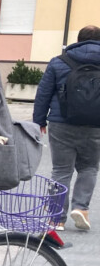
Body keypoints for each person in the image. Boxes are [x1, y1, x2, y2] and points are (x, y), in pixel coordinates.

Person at [33, 25, 100, 232]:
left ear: (78, 40)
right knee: (89, 167)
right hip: (95, 126)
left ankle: (56, 219)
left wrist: (39, 121)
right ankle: (81, 208)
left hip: (61, 124)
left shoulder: (59, 62)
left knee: (61, 170)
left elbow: (43, 94)